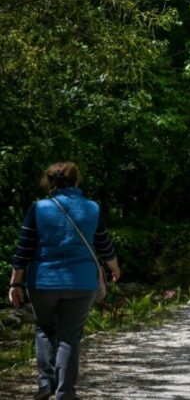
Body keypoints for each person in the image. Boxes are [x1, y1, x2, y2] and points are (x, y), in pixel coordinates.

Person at [8, 162, 121, 400]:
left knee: (45, 330)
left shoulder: (38, 208)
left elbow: (24, 249)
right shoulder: (92, 208)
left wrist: (15, 284)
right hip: (81, 282)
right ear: (77, 181)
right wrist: (114, 267)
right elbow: (103, 243)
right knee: (70, 337)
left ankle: (45, 385)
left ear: (49, 183)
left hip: (43, 281)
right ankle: (65, 393)